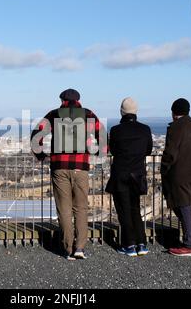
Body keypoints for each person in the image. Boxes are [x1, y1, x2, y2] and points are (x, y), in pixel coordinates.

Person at [31, 89, 105, 261]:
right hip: (81, 167)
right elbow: (101, 134)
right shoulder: (88, 114)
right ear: (79, 100)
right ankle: (80, 247)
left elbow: (36, 134)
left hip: (59, 167)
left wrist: (41, 155)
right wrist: (100, 153)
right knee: (81, 208)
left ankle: (67, 248)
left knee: (63, 208)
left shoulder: (54, 114)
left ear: (61, 100)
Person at [105, 98, 153, 257]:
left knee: (123, 210)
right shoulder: (145, 129)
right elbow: (148, 150)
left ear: (121, 111)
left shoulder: (116, 130)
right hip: (137, 175)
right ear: (136, 111)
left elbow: (112, 150)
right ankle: (142, 243)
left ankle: (129, 245)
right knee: (135, 209)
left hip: (121, 174)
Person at [161, 98, 191, 257]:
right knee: (185, 206)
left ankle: (189, 245)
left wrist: (163, 168)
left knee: (183, 207)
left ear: (173, 112)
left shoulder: (176, 127)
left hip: (179, 173)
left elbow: (170, 153)